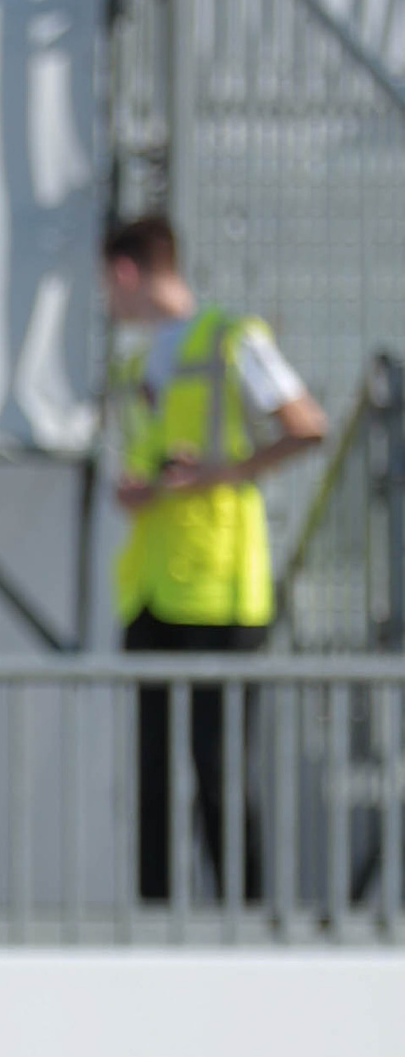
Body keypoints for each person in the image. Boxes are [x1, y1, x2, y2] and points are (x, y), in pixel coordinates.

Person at [105, 212, 326, 903]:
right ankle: (154, 922)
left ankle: (243, 922)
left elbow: (307, 425)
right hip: (152, 588)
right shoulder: (134, 364)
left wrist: (219, 473)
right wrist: (142, 490)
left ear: (125, 271)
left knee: (220, 770)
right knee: (152, 775)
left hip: (222, 589)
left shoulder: (233, 338)